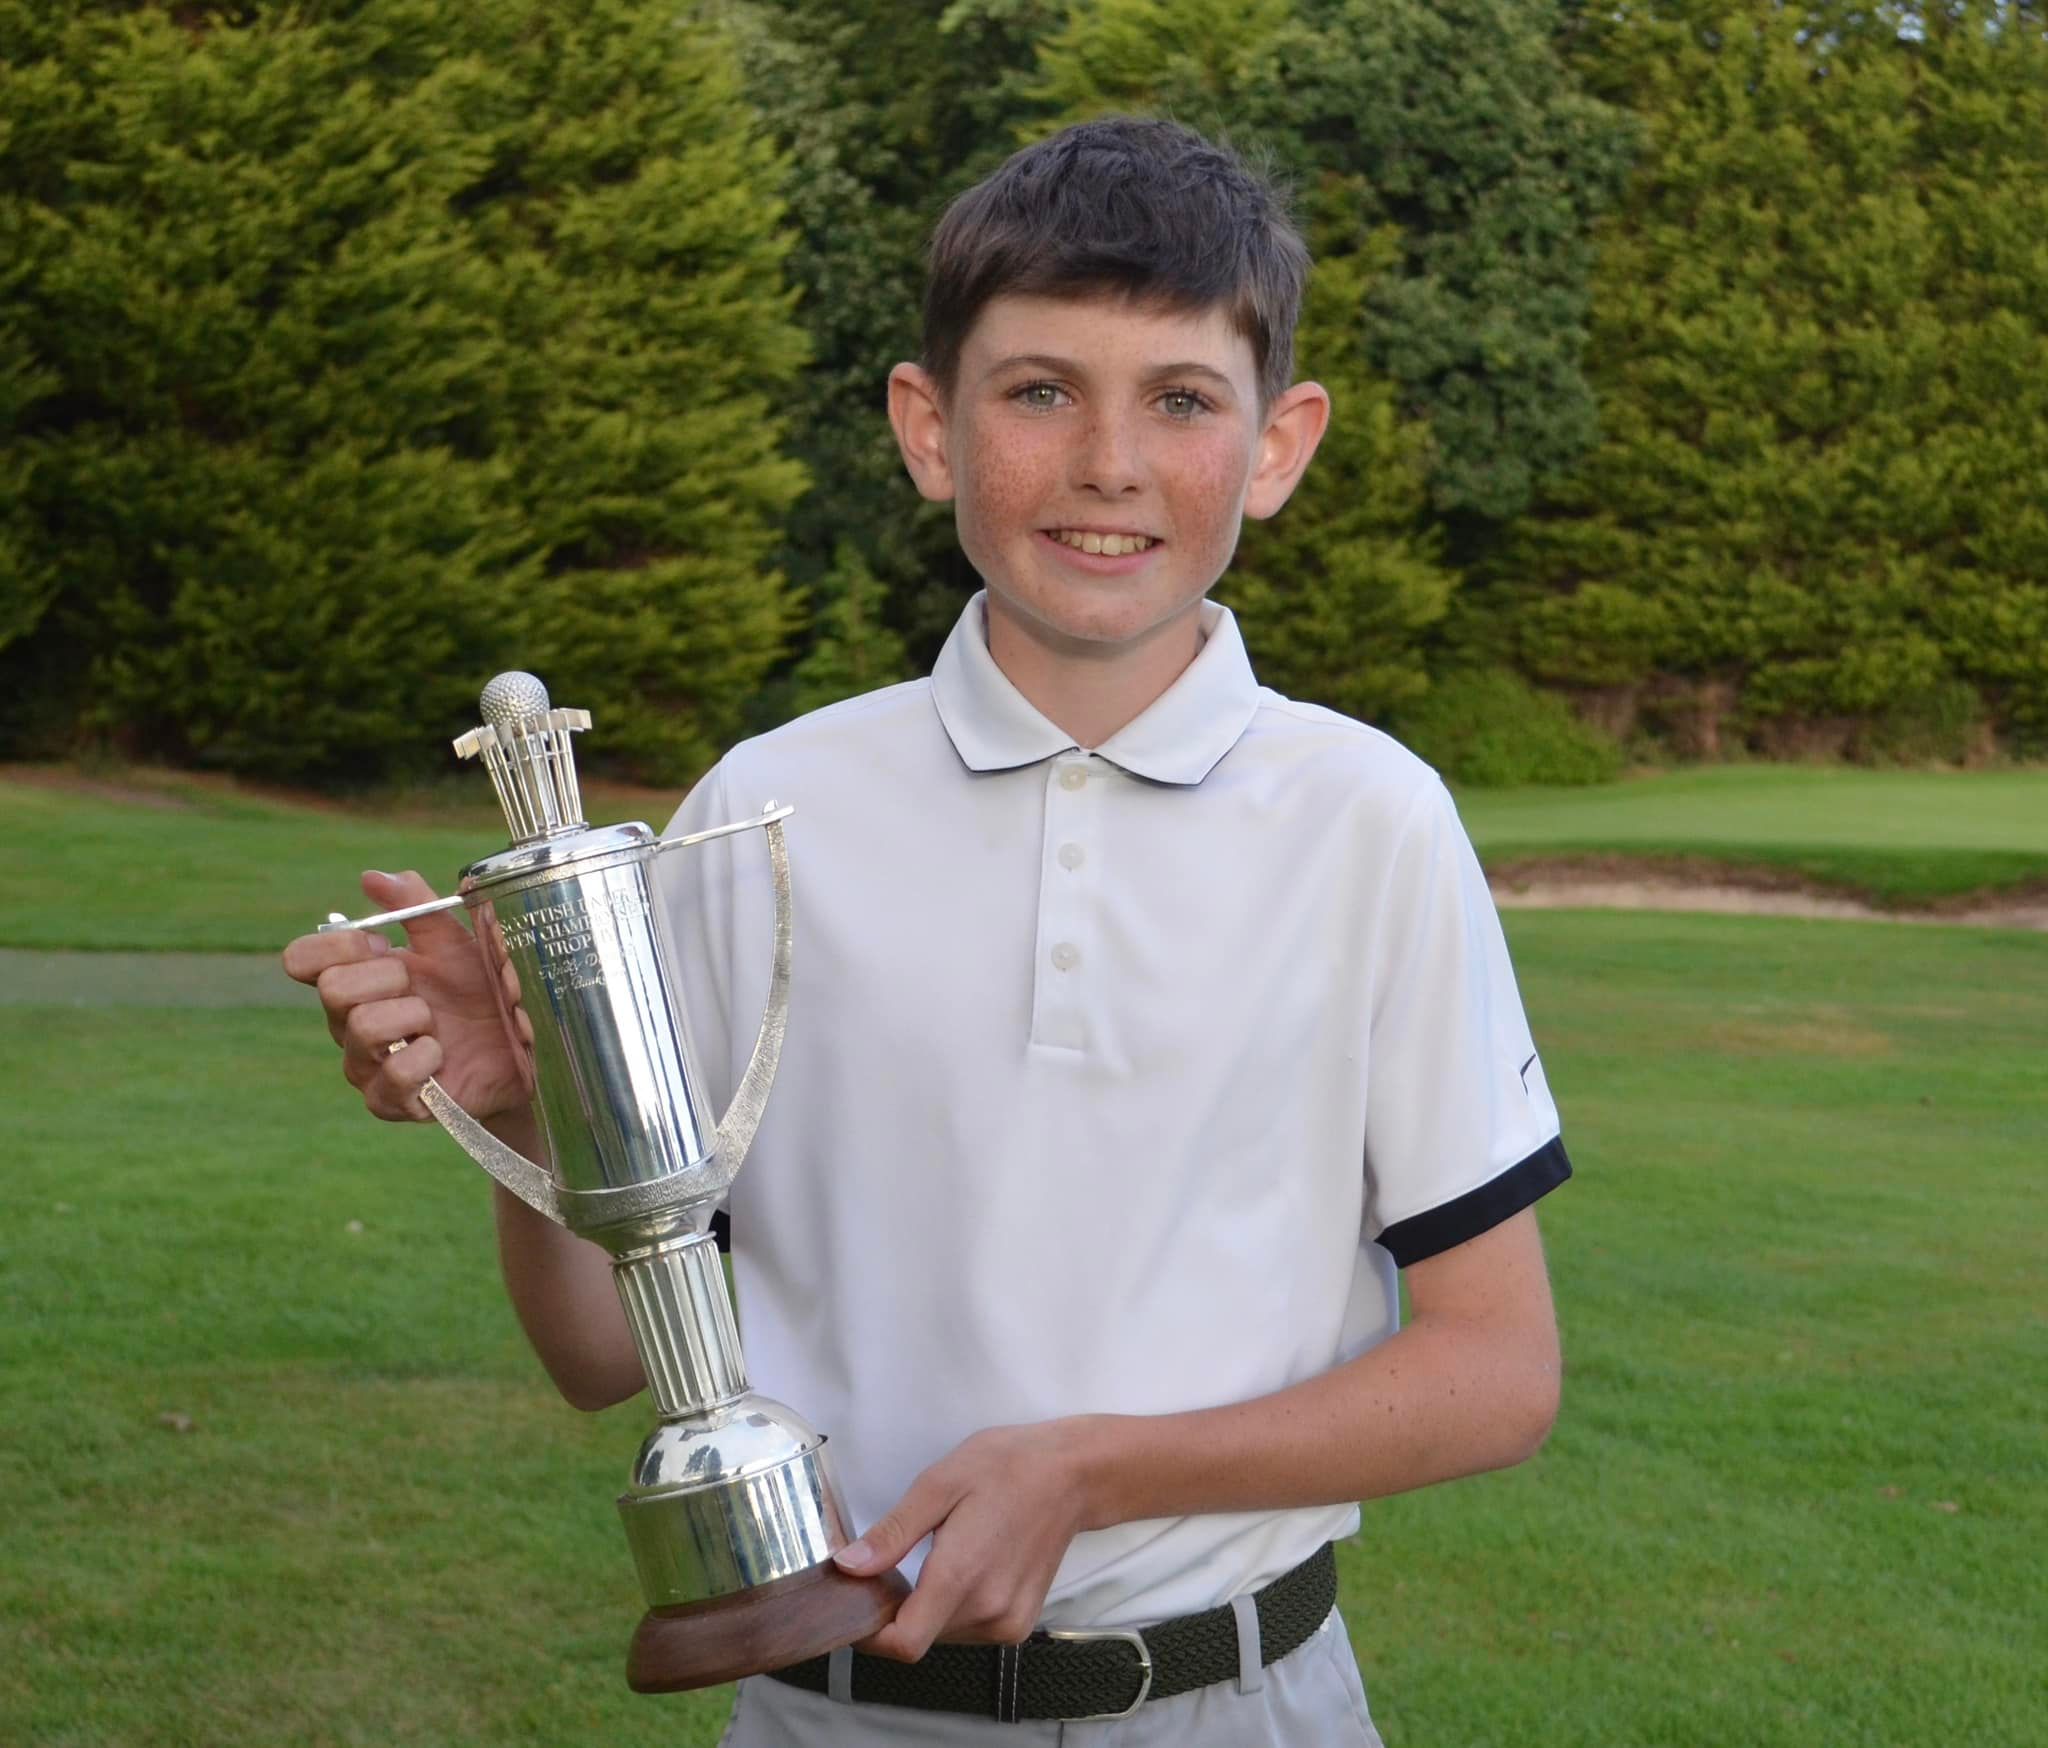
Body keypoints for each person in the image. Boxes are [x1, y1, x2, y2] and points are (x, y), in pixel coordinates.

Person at [284, 116, 1571, 1746]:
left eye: (1181, 400)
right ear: (928, 426)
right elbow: (610, 1354)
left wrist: (1095, 1471)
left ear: (1278, 445)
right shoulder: (767, 810)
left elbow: (1496, 1369)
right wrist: (544, 1111)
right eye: (1040, 392)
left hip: (1237, 1702)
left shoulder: (1369, 818)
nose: (1108, 463)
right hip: (839, 1711)